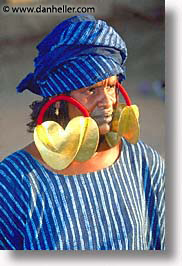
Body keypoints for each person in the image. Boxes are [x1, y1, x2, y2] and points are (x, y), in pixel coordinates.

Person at [0, 15, 165, 250]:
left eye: (111, 86)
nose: (107, 101)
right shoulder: (14, 182)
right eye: (91, 90)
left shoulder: (144, 164)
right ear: (58, 100)